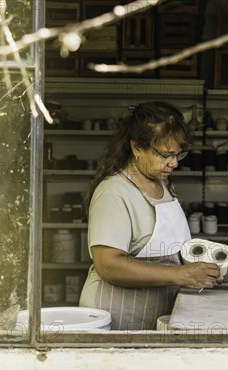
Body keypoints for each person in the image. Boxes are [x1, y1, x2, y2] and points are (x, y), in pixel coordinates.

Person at [79, 101, 220, 330]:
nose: (173, 163)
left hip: (154, 316)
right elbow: (108, 265)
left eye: (178, 154)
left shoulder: (163, 185)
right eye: (165, 154)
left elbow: (173, 252)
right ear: (136, 147)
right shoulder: (114, 192)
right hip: (117, 317)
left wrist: (205, 269)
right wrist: (181, 275)